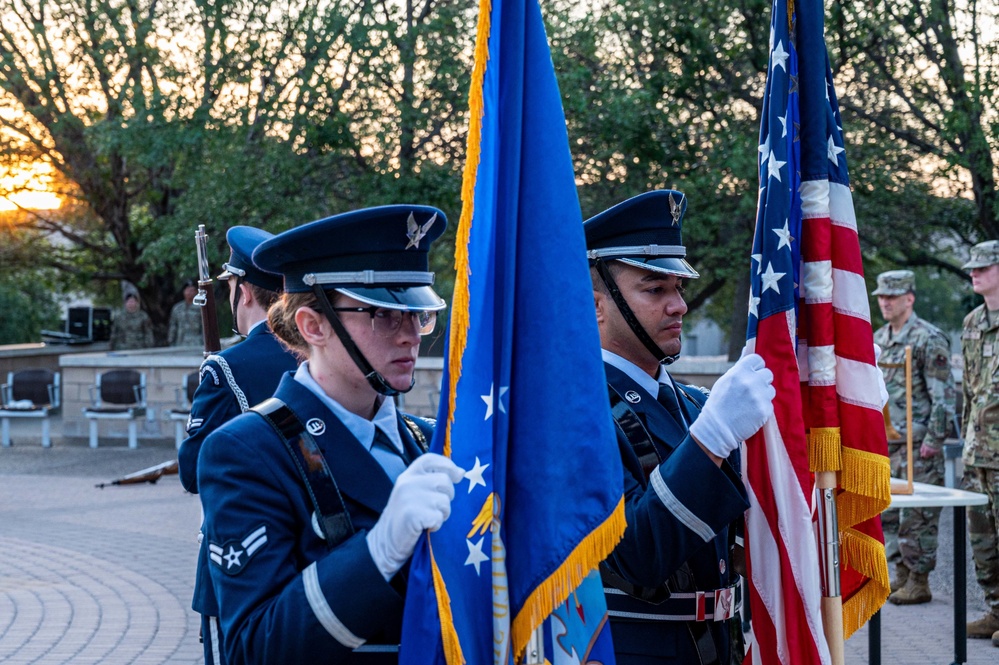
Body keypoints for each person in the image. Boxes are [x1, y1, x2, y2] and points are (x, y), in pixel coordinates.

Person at [198, 205, 464, 664]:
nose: (410, 336)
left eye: (416, 314)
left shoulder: (428, 439)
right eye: (383, 313)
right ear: (313, 325)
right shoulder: (248, 451)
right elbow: (252, 647)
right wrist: (378, 551)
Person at [584, 190, 775, 664]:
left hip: (717, 647)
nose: (679, 307)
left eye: (679, 288)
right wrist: (710, 440)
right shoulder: (572, 415)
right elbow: (638, 552)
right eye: (655, 290)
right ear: (595, 306)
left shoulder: (694, 404)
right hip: (635, 651)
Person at [178, 226, 301, 665]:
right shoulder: (318, 352)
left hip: (237, 559)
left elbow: (193, 471)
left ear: (244, 292)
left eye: (230, 285)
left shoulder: (225, 370)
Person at [872, 269, 956, 605]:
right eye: (881, 296)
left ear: (910, 298)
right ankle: (900, 574)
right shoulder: (879, 339)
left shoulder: (928, 338)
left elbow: (943, 395)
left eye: (892, 296)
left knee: (917, 518)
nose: (885, 302)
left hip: (918, 444)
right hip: (887, 442)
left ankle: (919, 579)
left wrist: (934, 440)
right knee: (888, 513)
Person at [961, 240, 999, 646]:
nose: (974, 272)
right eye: (972, 268)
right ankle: (995, 609)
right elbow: (971, 390)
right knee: (982, 538)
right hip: (978, 452)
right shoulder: (972, 321)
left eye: (984, 267)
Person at [169, 279, 204, 346]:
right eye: (187, 290)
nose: (189, 293)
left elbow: (204, 328)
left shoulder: (201, 308)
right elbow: (173, 326)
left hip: (197, 343)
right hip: (180, 343)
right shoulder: (177, 308)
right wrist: (171, 342)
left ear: (196, 292)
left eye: (192, 290)